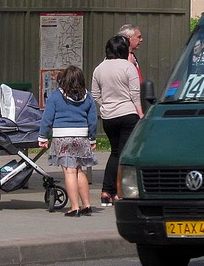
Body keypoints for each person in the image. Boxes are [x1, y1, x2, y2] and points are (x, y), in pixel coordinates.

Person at [38, 65, 98, 217]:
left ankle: (74, 207)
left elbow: (47, 118)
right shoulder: (88, 96)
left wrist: (43, 136)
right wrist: (92, 138)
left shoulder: (55, 96)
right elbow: (92, 120)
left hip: (62, 138)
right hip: (82, 137)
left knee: (69, 171)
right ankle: (87, 204)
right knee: (79, 170)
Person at [91, 34, 143, 205]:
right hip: (128, 114)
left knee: (115, 152)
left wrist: (106, 105)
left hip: (108, 117)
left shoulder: (99, 68)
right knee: (124, 155)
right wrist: (140, 113)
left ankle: (107, 191)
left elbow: (95, 95)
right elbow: (135, 94)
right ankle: (118, 192)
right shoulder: (128, 67)